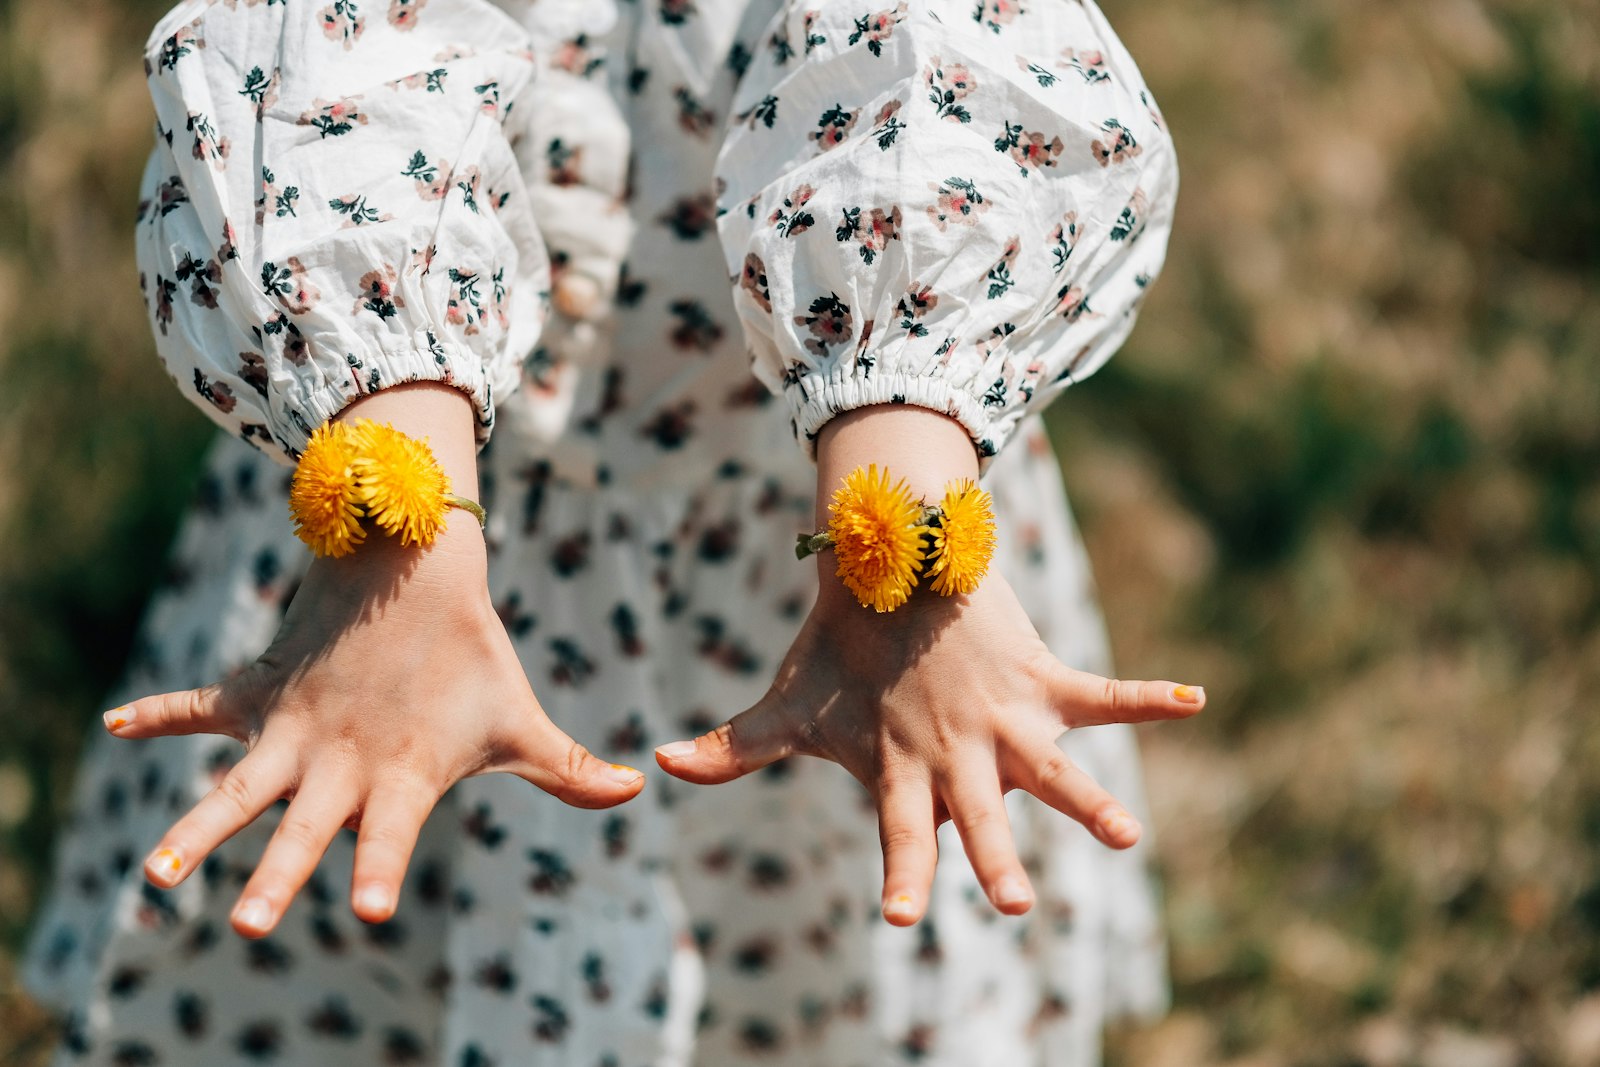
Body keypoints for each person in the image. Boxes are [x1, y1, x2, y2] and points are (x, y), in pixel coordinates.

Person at [22, 0, 1195, 1063]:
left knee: (812, 954)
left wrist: (908, 513)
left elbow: (930, 61)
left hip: (794, 520)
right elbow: (341, 55)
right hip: (436, 562)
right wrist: (398, 540)